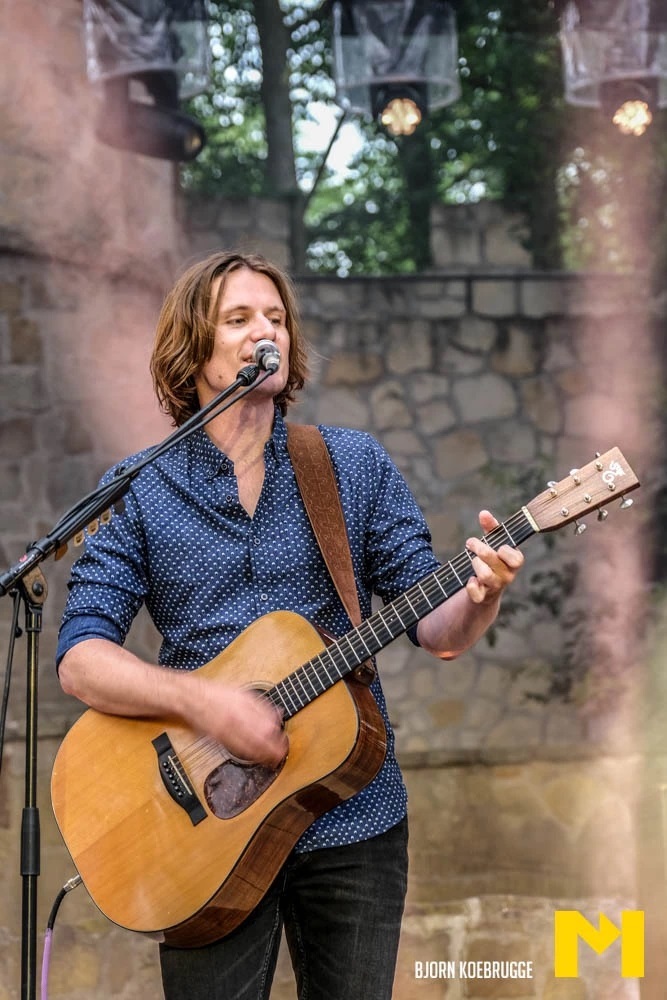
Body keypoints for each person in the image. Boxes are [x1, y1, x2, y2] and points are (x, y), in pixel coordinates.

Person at [56, 249, 524, 1000]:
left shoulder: (350, 465)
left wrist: (481, 595)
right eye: (238, 319)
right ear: (192, 349)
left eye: (274, 317)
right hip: (200, 833)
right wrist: (206, 704)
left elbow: (438, 631)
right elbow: (82, 659)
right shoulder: (140, 487)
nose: (263, 331)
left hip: (352, 813)